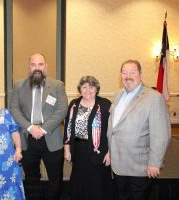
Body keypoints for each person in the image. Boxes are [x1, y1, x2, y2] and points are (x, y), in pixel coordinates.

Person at [107, 60, 171, 200]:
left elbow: (161, 134)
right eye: (124, 72)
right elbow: (114, 127)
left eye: (132, 72)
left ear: (140, 74)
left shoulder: (154, 97)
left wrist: (155, 162)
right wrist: (110, 151)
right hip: (118, 164)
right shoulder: (117, 95)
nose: (128, 76)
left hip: (140, 167)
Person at [10, 53, 68, 200]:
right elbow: (14, 110)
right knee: (31, 178)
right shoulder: (18, 85)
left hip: (51, 138)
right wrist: (30, 127)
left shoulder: (57, 85)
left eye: (40, 64)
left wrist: (42, 129)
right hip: (27, 138)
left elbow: (62, 110)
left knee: (55, 178)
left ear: (46, 66)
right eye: (33, 64)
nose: (37, 68)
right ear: (29, 66)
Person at [64, 76, 113, 200]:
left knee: (97, 185)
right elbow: (68, 127)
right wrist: (67, 148)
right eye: (84, 87)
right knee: (79, 183)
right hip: (79, 150)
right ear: (79, 89)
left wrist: (110, 152)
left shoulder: (105, 104)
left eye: (91, 87)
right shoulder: (74, 104)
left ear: (96, 89)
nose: (88, 90)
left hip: (99, 151)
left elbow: (113, 131)